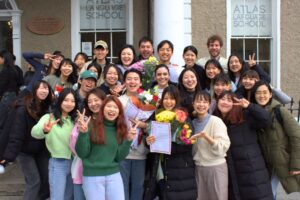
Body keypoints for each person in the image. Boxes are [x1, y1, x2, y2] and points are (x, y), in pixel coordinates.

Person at [75, 95, 137, 200]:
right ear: (103, 109)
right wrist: (83, 133)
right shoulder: (90, 125)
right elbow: (82, 153)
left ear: (119, 112)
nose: (112, 110)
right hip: (92, 176)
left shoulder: (120, 129)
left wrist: (129, 140)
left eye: (115, 107)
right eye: (109, 106)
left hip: (114, 175)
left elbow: (118, 157)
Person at [214, 91, 273, 200]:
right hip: (232, 173)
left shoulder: (245, 117)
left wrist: (249, 106)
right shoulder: (215, 121)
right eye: (222, 99)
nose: (225, 102)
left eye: (229, 100)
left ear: (235, 103)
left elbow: (266, 119)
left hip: (252, 171)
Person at [0, 80, 53, 200]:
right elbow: (16, 134)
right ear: (34, 90)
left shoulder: (47, 107)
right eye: (40, 88)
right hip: (24, 152)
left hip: (40, 150)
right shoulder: (23, 109)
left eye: (46, 88)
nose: (44, 90)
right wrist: (8, 157)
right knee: (34, 181)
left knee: (45, 180)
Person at [144, 85, 198, 200]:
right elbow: (149, 139)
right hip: (160, 168)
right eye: (166, 98)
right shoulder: (156, 115)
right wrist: (148, 142)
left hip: (180, 168)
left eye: (172, 99)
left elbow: (188, 143)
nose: (169, 102)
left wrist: (167, 148)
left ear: (177, 100)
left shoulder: (183, 117)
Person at [251, 81, 300, 199]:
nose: (262, 96)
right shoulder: (253, 113)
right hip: (268, 163)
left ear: (271, 94)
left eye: (264, 92)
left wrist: (296, 164)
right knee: (269, 192)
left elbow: (296, 136)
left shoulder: (279, 111)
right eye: (258, 93)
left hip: (284, 159)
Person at [31, 88, 78, 200]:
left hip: (74, 163)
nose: (69, 104)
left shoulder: (75, 120)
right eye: (66, 100)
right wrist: (44, 130)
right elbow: (34, 132)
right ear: (60, 101)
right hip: (58, 164)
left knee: (68, 196)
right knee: (57, 197)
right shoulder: (49, 118)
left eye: (73, 101)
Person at [191, 91, 230, 200]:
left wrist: (207, 138)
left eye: (204, 102)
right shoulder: (192, 123)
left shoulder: (216, 121)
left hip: (216, 168)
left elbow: (224, 146)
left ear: (209, 105)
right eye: (198, 101)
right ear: (193, 103)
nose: (201, 105)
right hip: (198, 168)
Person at [69, 88, 106, 200]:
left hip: (104, 171)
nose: (93, 104)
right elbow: (73, 145)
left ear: (104, 101)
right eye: (89, 101)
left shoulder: (110, 121)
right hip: (82, 168)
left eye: (96, 100)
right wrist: (81, 130)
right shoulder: (83, 121)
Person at [118, 68, 149, 200]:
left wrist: (143, 125)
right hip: (122, 151)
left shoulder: (147, 100)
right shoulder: (118, 101)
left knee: (138, 187)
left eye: (136, 79)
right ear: (124, 82)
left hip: (141, 152)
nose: (132, 82)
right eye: (129, 79)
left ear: (141, 83)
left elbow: (152, 126)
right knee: (122, 186)